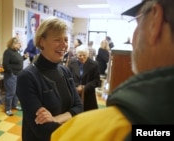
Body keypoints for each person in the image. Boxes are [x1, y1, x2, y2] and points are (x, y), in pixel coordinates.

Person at [51, 0, 174, 140]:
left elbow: (96, 81)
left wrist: (84, 88)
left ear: (154, 22)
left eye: (138, 23)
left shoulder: (85, 131)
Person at [16, 17, 83, 141]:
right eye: (57, 40)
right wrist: (70, 119)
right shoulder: (27, 77)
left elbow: (79, 107)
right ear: (42, 42)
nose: (64, 45)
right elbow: (43, 130)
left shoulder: (65, 71)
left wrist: (55, 119)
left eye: (66, 40)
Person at [67, 45, 101, 111]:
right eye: (80, 55)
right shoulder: (72, 62)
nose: (82, 57)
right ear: (77, 55)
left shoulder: (94, 64)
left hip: (89, 96)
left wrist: (84, 88)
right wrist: (76, 87)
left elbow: (97, 81)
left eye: (84, 55)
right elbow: (68, 78)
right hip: (74, 94)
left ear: (87, 54)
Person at [2, 37, 28, 116]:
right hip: (11, 75)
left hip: (18, 75)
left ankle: (15, 105)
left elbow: (17, 61)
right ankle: (8, 109)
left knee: (16, 92)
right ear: (13, 44)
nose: (20, 45)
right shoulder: (8, 52)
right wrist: (12, 72)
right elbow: (5, 64)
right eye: (19, 43)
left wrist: (23, 58)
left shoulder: (16, 52)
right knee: (10, 92)